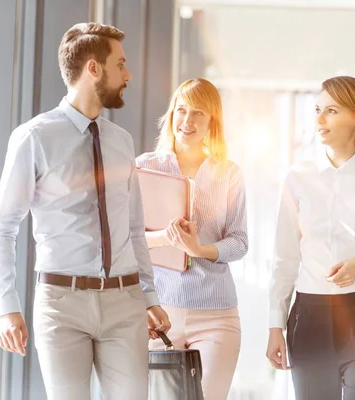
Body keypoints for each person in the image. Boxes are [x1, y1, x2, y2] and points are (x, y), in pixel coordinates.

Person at [0, 22, 170, 400]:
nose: (128, 74)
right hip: (61, 305)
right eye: (121, 64)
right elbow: (1, 229)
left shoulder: (121, 142)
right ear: (94, 69)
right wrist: (6, 308)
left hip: (124, 301)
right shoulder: (35, 138)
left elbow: (134, 230)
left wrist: (149, 296)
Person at [267, 76, 355, 400]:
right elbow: (284, 259)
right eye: (318, 110)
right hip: (310, 315)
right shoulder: (297, 178)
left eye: (332, 111)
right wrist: (274, 326)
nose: (320, 120)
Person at [136, 78, 248, 400]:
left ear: (212, 120)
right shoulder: (146, 166)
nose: (188, 121)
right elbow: (128, 241)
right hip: (159, 313)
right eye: (181, 110)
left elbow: (240, 241)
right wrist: (166, 239)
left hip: (217, 315)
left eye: (199, 113)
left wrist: (199, 249)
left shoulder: (229, 173)